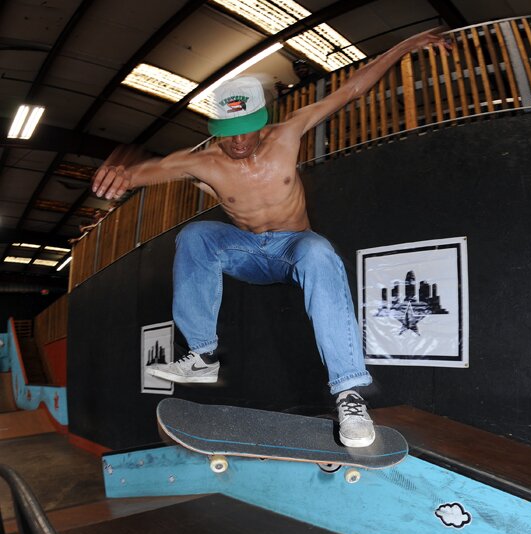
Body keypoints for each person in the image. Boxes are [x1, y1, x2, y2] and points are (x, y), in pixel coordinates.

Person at [93, 27, 453, 447]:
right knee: (196, 235)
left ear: (261, 121)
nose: (239, 142)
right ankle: (202, 355)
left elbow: (352, 89)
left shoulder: (287, 133)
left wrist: (406, 45)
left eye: (247, 130)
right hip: (245, 252)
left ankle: (349, 394)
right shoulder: (203, 162)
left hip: (292, 249)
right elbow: (148, 171)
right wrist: (121, 174)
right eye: (230, 133)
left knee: (318, 251)